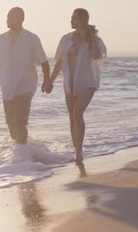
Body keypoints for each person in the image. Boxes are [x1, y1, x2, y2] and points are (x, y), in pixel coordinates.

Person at [48, 8, 107, 162]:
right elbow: (59, 62)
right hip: (70, 83)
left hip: (87, 82)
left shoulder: (93, 39)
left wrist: (91, 38)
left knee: (77, 113)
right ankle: (77, 151)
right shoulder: (66, 39)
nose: (71, 20)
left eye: (73, 18)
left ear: (81, 20)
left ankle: (79, 151)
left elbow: (97, 55)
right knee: (72, 118)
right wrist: (50, 81)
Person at [0, 7, 52, 145]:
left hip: (26, 85)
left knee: (19, 121)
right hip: (7, 87)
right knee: (11, 124)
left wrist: (47, 80)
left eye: (10, 17)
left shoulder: (31, 39)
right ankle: (20, 155)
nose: (7, 20)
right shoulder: (0, 40)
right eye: (7, 17)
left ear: (20, 19)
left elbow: (44, 62)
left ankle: (23, 155)